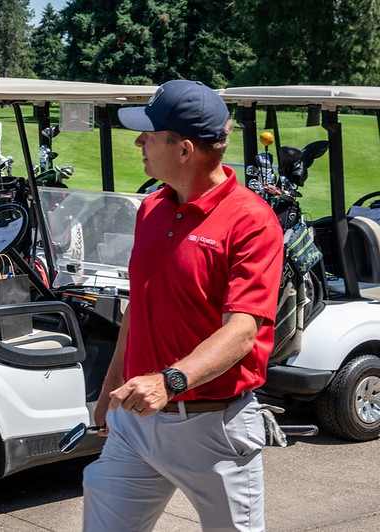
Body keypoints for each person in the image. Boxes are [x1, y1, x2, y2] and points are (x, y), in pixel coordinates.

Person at [83, 80, 284, 532]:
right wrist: (110, 386)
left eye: (149, 134)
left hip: (213, 427)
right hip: (136, 423)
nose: (139, 142)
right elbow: (141, 304)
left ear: (184, 149)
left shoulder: (250, 220)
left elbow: (243, 330)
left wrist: (169, 381)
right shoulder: (152, 208)